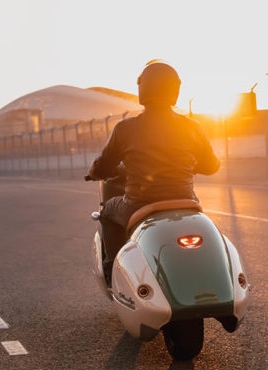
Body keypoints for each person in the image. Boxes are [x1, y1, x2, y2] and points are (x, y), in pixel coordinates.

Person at [86, 60, 220, 282]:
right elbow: (211, 166)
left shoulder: (125, 128)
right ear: (175, 89)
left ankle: (113, 271)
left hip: (139, 204)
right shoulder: (192, 126)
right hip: (185, 200)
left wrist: (93, 172)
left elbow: (104, 166)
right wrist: (184, 164)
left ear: (142, 88)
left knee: (107, 212)